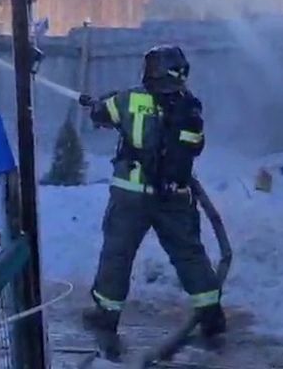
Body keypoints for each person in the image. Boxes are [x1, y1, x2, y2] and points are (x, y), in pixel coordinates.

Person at [78, 45, 225, 355]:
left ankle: (107, 315)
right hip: (175, 196)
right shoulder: (190, 107)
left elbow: (102, 113)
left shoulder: (130, 98)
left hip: (131, 195)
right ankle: (211, 314)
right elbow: (195, 147)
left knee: (118, 254)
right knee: (189, 253)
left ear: (152, 70)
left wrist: (99, 105)